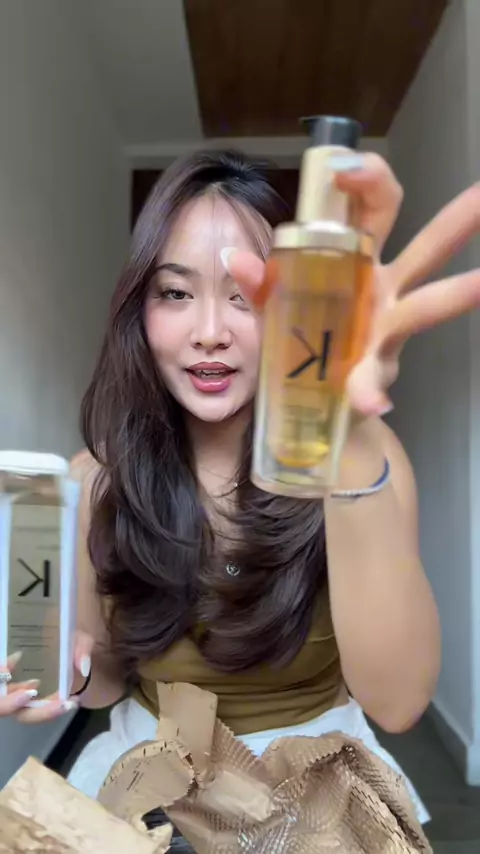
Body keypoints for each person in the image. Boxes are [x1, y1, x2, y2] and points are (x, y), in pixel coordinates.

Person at [2, 150, 479, 827]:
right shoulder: (98, 477)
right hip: (150, 778)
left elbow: (398, 704)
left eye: (247, 297)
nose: (209, 334)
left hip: (320, 789)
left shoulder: (369, 460)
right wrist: (61, 671)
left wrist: (346, 435)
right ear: (140, 310)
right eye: (175, 293)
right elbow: (102, 683)